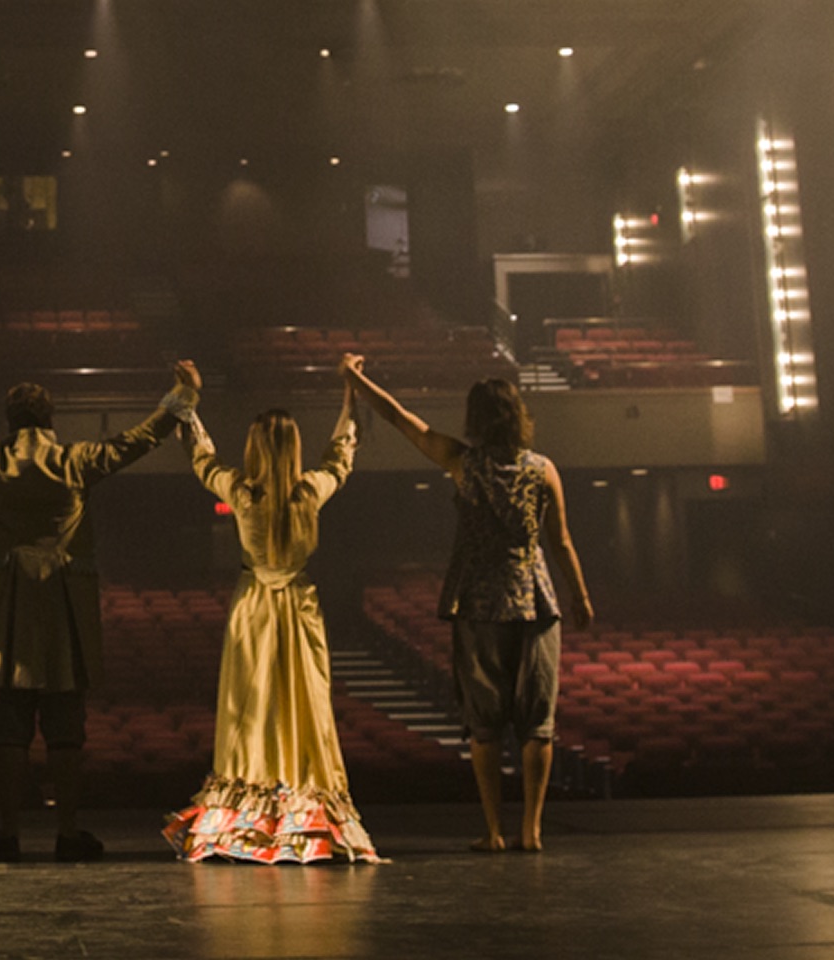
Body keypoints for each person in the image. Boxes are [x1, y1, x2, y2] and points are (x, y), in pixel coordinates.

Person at [0, 330, 200, 863]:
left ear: (9, 422)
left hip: (6, 610)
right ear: (51, 420)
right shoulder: (77, 461)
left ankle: (8, 832)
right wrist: (181, 398)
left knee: (8, 729)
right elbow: (138, 440)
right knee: (65, 729)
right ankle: (68, 831)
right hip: (64, 613)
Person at [343, 355, 593, 853]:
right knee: (536, 722)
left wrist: (354, 378)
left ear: (476, 418)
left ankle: (495, 831)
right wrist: (580, 596)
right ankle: (533, 830)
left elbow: (399, 419)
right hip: (535, 600)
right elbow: (560, 540)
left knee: (484, 723)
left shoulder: (462, 463)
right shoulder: (544, 470)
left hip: (479, 601)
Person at [163, 368, 383, 864]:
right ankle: (302, 797)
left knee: (251, 709)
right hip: (298, 609)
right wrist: (351, 396)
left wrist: (190, 401)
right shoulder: (309, 493)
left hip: (255, 608)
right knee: (303, 706)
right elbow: (341, 456)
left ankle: (248, 805)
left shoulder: (242, 492)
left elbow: (202, 459)